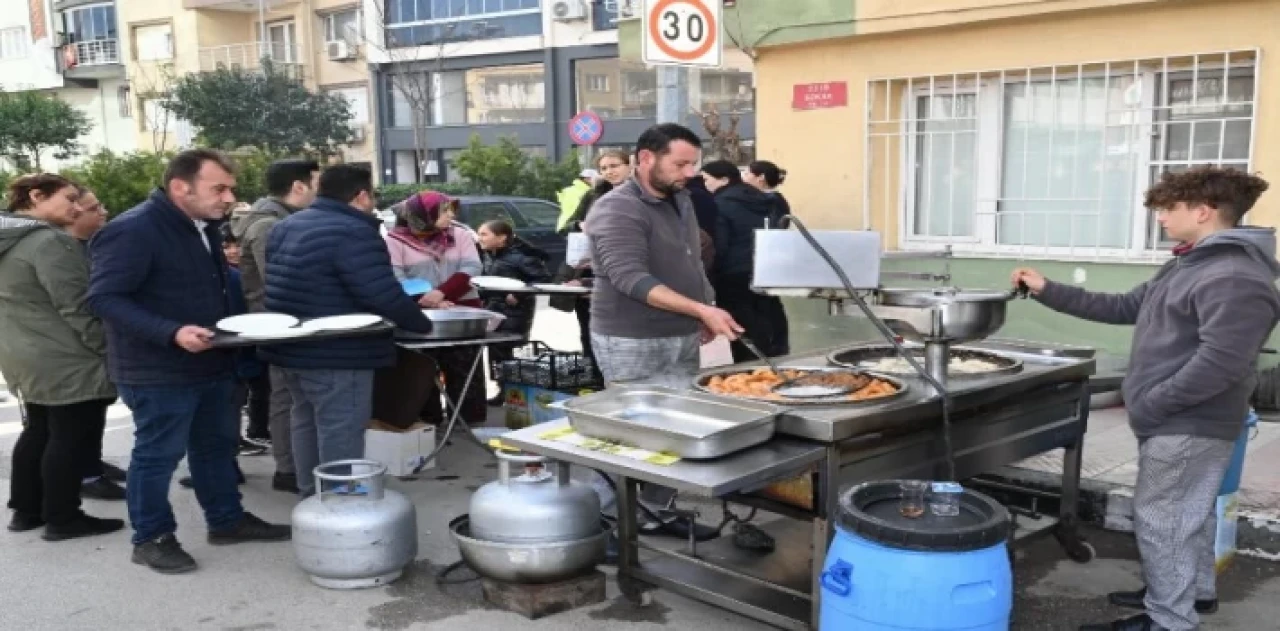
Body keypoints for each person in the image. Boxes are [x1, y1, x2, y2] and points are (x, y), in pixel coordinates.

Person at [1010, 167, 1280, 631]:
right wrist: (1047, 290)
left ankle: (1169, 619)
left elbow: (1223, 363)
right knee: (1185, 512)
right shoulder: (1187, 263)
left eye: (1168, 209)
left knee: (1163, 517)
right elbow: (1123, 307)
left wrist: (1154, 403)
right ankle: (1189, 592)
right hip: (1177, 417)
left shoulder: (1234, 276)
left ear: (1203, 211)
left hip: (1189, 420)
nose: (1160, 219)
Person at [88, 150, 292, 574]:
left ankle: (227, 520)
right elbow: (104, 299)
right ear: (181, 187)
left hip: (210, 361)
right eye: (219, 188)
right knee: (156, 456)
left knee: (215, 447)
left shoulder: (203, 226)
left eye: (231, 188)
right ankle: (151, 537)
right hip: (157, 369)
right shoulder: (133, 230)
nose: (230, 197)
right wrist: (171, 332)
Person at [263, 165, 434, 498]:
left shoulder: (288, 225)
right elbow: (379, 292)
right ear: (361, 196)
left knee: (306, 423)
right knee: (340, 431)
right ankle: (338, 507)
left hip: (289, 346)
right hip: (338, 351)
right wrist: (420, 323)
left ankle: (311, 499)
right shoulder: (353, 231)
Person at [1, 174, 122, 541]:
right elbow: (77, 307)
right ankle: (63, 517)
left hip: (21, 351)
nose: (76, 207)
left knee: (39, 429)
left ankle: (27, 510)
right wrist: (108, 350)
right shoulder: (48, 241)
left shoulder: (9, 239)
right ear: (36, 196)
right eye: (69, 199)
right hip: (64, 354)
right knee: (69, 435)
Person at [586, 122, 743, 388]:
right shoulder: (618, 207)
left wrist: (703, 308)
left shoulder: (681, 199)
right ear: (646, 158)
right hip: (633, 341)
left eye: (693, 164)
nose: (690, 173)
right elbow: (630, 278)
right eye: (680, 164)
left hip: (683, 333)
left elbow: (691, 260)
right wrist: (700, 309)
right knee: (640, 424)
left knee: (682, 415)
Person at [230, 159, 320, 494]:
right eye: (316, 183)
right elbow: (279, 281)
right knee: (286, 397)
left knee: (291, 396)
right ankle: (289, 469)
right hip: (280, 322)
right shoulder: (269, 225)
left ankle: (297, 465)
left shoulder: (284, 220)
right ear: (299, 187)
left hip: (289, 321)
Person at [384, 191, 487, 427]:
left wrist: (443, 293)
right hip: (420, 313)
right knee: (424, 369)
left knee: (464, 366)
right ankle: (429, 420)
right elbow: (396, 277)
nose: (450, 215)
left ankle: (467, 420)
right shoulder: (395, 241)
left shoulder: (459, 234)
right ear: (423, 215)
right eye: (444, 210)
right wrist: (427, 299)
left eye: (451, 209)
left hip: (462, 308)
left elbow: (472, 266)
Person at [63, 188, 129, 500]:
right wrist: (103, 344)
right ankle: (86, 475)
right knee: (80, 415)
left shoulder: (89, 245)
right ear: (74, 215)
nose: (103, 212)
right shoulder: (62, 251)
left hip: (91, 343)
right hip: (77, 348)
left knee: (97, 408)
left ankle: (93, 464)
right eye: (94, 208)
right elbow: (74, 307)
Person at [700, 160, 789, 362]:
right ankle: (778, 367)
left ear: (723, 180)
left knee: (743, 333)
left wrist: (711, 277)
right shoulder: (768, 200)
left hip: (732, 277)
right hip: (766, 272)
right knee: (771, 325)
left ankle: (750, 375)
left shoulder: (720, 204)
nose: (705, 185)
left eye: (707, 180)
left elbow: (719, 246)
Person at [556, 150, 632, 377]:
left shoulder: (639, 194)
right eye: (604, 168)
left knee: (622, 335)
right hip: (587, 269)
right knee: (590, 331)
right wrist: (580, 225)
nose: (609, 171)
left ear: (630, 166)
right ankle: (595, 380)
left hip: (622, 271)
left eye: (614, 165)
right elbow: (569, 225)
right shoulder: (593, 195)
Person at [477, 219, 552, 403]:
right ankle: (502, 390)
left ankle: (512, 391)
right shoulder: (489, 254)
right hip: (493, 310)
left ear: (501, 237)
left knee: (507, 351)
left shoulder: (521, 256)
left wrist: (519, 295)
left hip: (515, 311)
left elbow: (543, 279)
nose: (480, 238)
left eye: (484, 234)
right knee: (495, 351)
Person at [745, 160, 791, 228]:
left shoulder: (774, 201)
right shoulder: (762, 197)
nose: (743, 177)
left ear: (761, 177)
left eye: (747, 174)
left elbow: (774, 228)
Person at [555, 168, 598, 232]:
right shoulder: (586, 192)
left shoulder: (568, 190)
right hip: (576, 225)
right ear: (587, 179)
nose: (597, 182)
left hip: (565, 225)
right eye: (596, 179)